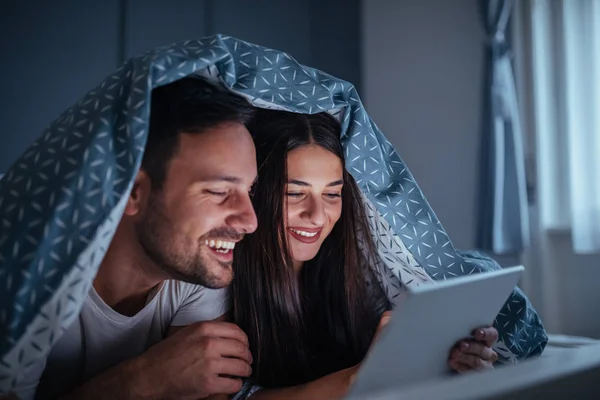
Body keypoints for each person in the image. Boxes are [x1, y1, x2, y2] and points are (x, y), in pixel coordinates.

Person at [12, 77, 258, 400]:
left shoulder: (197, 265)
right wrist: (145, 380)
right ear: (132, 191)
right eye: (218, 191)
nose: (250, 221)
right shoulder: (28, 269)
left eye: (249, 190)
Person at [231, 109, 500, 399]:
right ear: (253, 191)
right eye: (295, 194)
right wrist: (356, 378)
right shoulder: (221, 283)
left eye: (332, 194)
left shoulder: (355, 273)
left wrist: (452, 363)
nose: (318, 216)